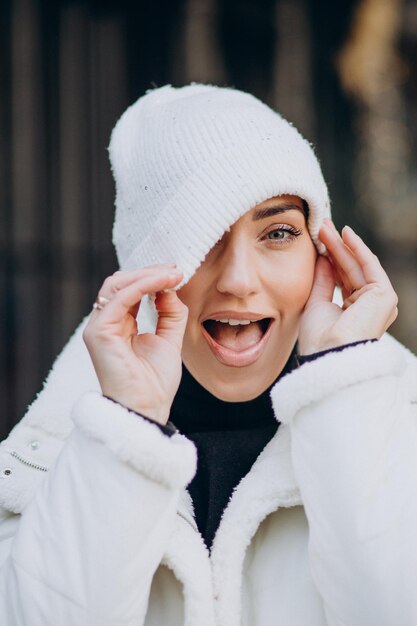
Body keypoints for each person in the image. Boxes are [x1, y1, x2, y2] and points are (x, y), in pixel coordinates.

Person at [0, 83, 416, 626]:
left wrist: (342, 396)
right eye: (202, 237)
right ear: (144, 265)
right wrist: (126, 432)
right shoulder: (45, 463)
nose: (240, 281)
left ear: (322, 258)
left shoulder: (394, 426)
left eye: (280, 232)